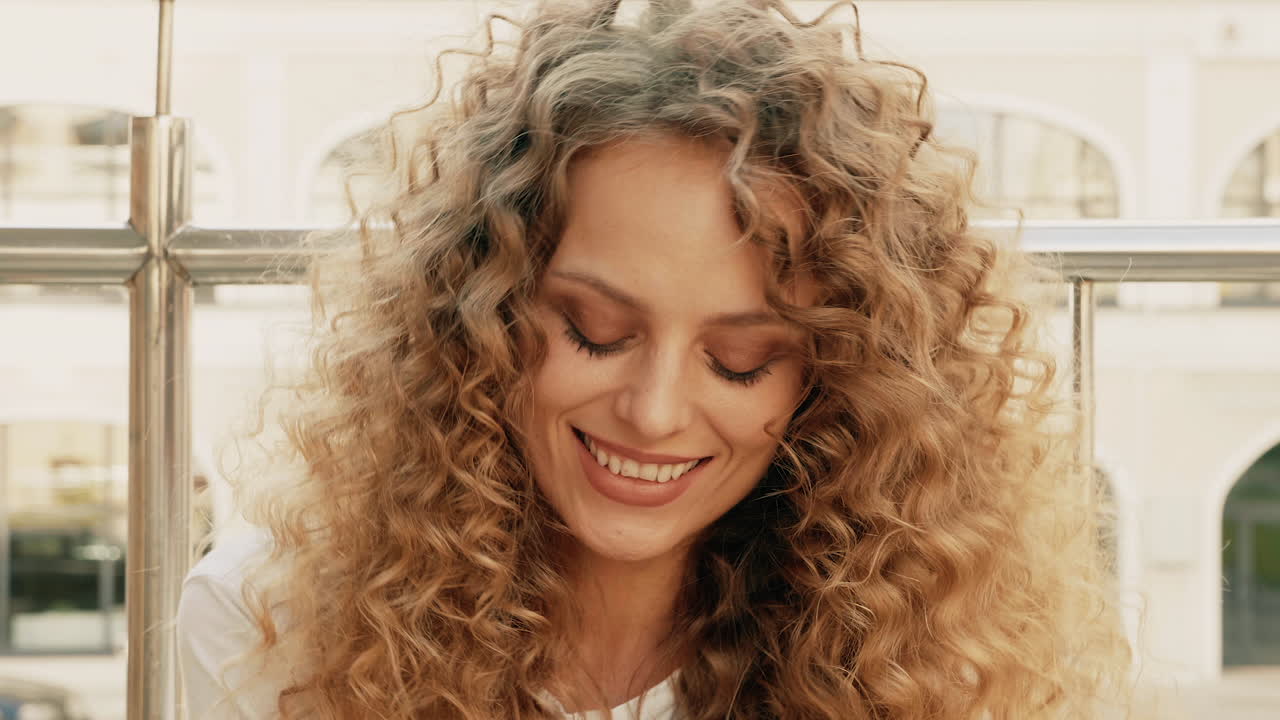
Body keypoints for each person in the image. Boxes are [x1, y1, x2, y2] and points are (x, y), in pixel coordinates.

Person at [176, 1, 1134, 718]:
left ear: (834, 382)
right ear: (478, 317)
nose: (656, 411)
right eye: (595, 331)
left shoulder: (942, 662)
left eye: (742, 359)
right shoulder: (267, 627)